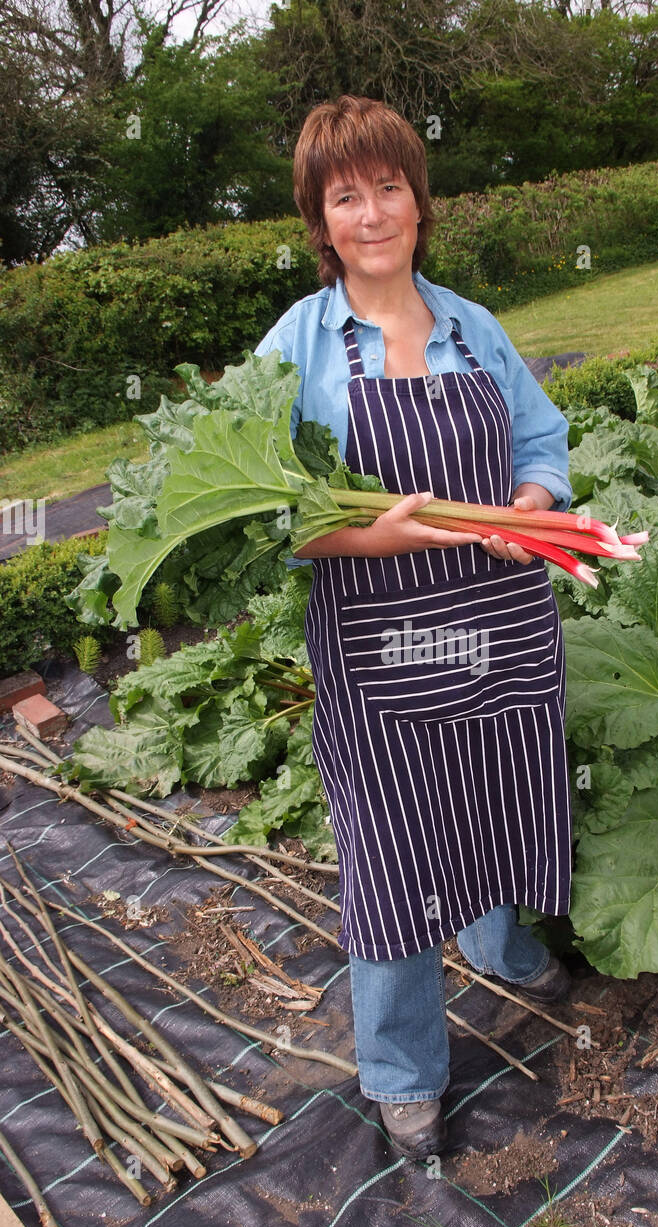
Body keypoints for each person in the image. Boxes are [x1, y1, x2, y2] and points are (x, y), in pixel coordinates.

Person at [254, 94, 574, 1159]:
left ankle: (498, 946)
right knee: (389, 851)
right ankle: (400, 1069)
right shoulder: (295, 347)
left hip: (496, 617)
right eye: (347, 195)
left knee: (493, 792)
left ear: (417, 201)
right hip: (377, 640)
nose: (373, 211)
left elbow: (538, 434)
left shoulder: (472, 325)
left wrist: (531, 501)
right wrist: (365, 542)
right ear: (320, 219)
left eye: (388, 186)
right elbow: (267, 517)